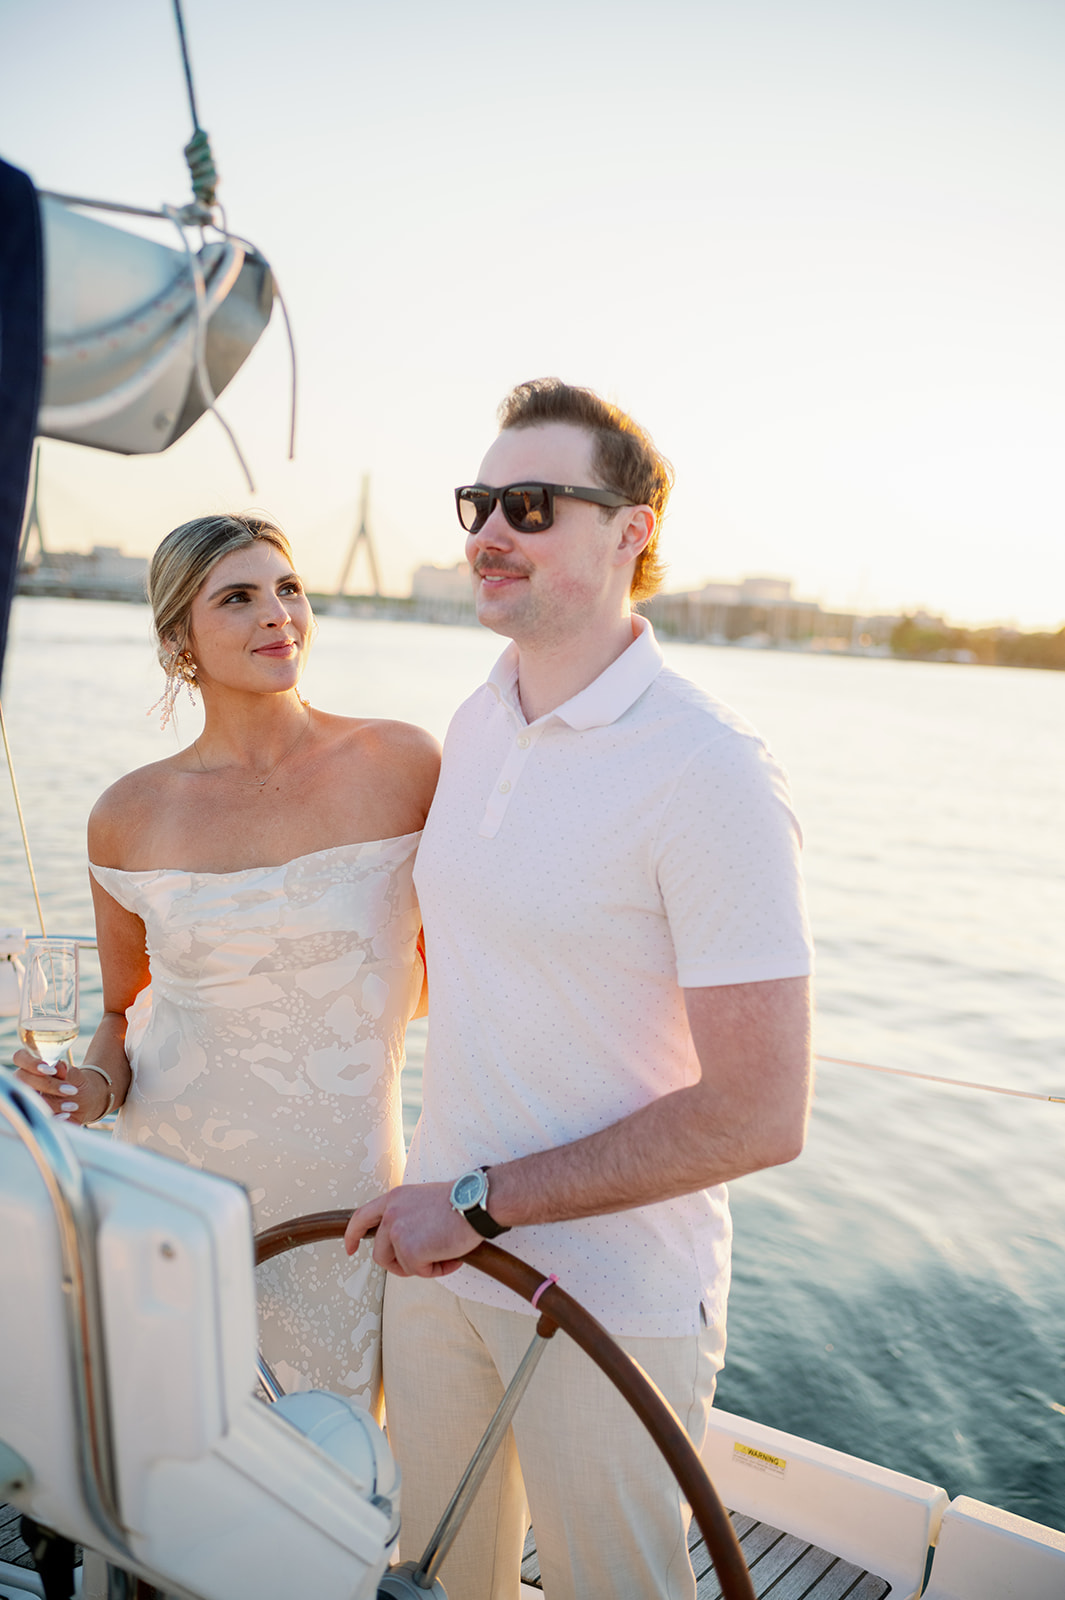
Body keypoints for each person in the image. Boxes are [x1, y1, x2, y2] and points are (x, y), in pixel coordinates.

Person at [346, 379, 814, 1599]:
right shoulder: (478, 717)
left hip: (607, 1297)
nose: (490, 531)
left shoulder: (707, 770)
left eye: (535, 504)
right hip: (442, 1261)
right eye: (482, 502)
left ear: (631, 531)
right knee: (438, 1584)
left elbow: (760, 1111)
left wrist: (481, 1201)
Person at [15, 512, 439, 1414]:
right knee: (170, 1451)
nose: (276, 615)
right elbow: (123, 1015)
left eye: (287, 588)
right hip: (170, 1185)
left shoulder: (404, 763)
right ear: (180, 641)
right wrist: (83, 1094)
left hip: (345, 1189)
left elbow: (467, 974)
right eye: (238, 598)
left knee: (328, 1465)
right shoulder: (127, 813)